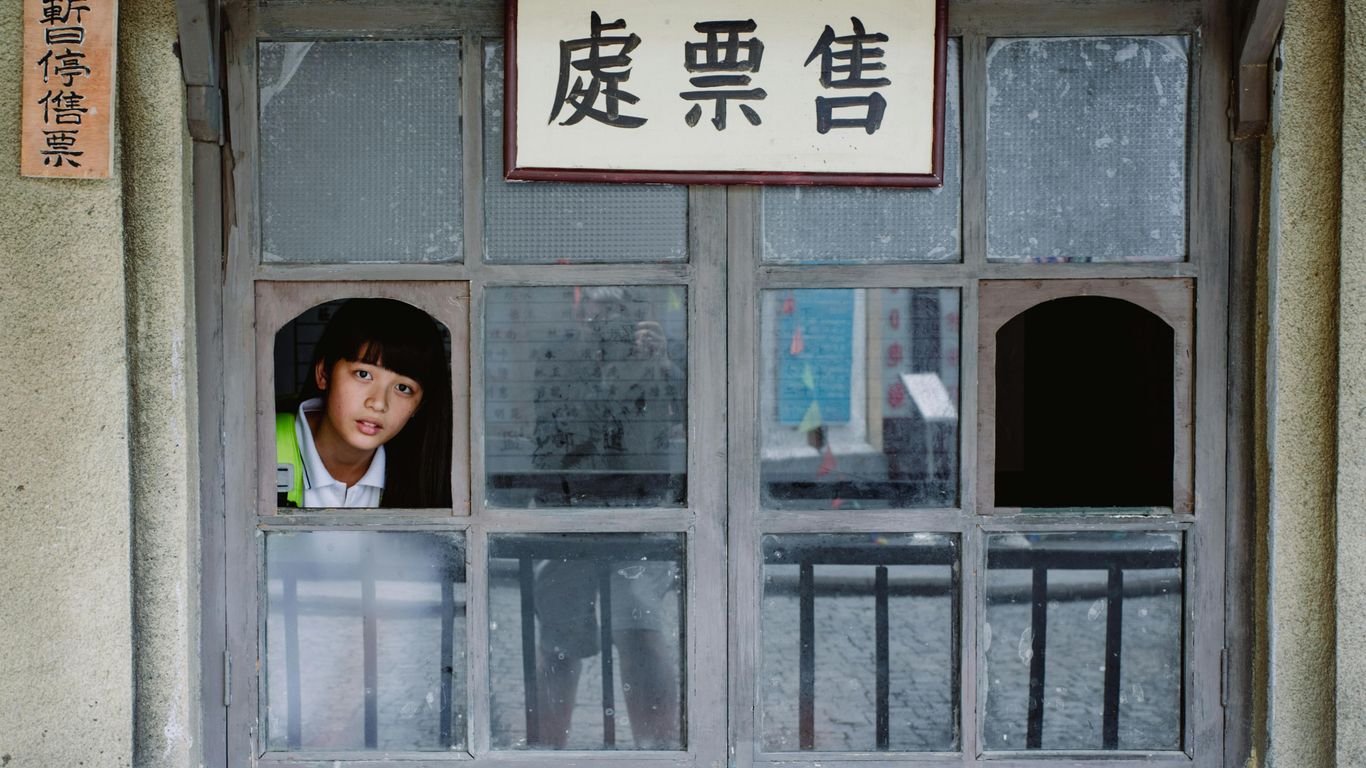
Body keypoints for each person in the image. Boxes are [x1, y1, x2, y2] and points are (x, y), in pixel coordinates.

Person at [276, 298, 452, 508]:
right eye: (363, 374)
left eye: (403, 388)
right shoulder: (260, 445)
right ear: (324, 373)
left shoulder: (426, 477)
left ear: (418, 406)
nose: (378, 403)